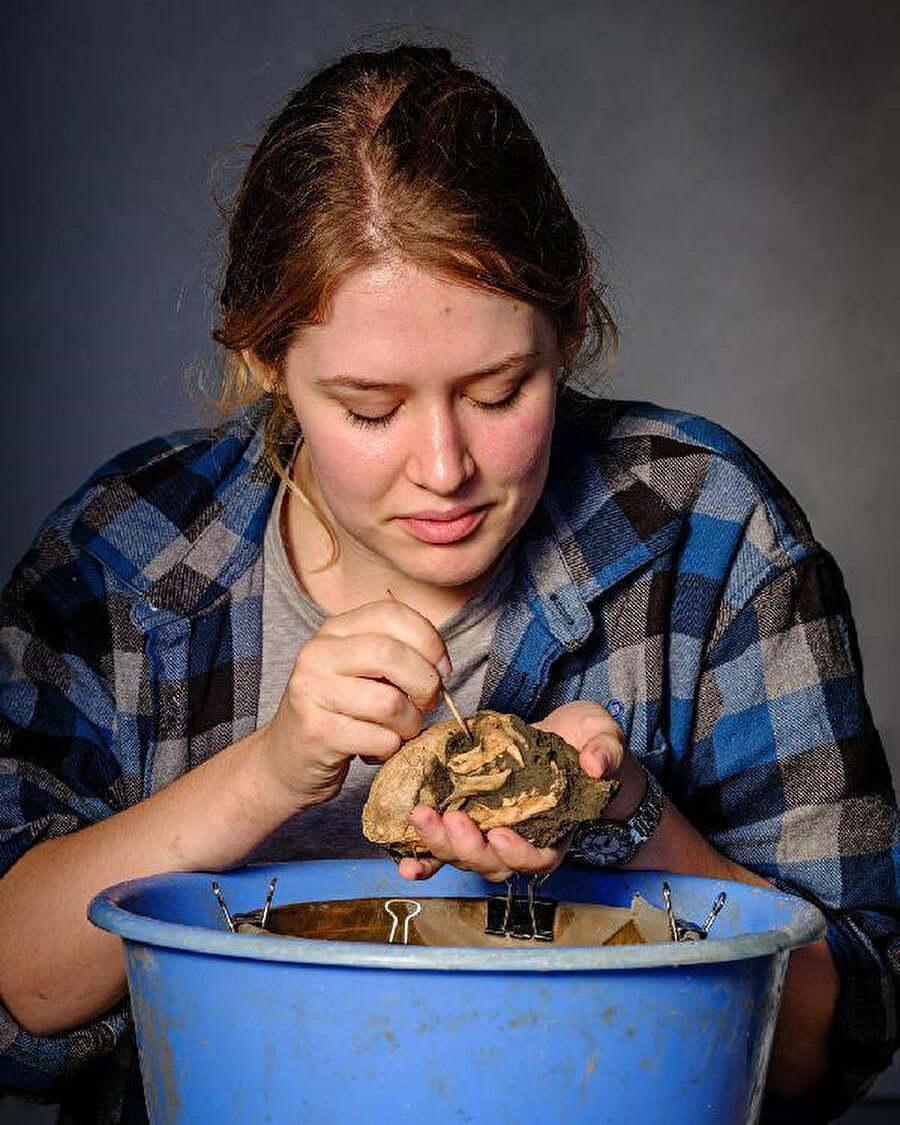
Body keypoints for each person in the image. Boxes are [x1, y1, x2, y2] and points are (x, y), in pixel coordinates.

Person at [0, 43, 896, 1125]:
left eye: (499, 389)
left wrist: (622, 810)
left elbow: (827, 1044)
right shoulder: (124, 559)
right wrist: (273, 771)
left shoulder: (707, 537)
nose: (443, 468)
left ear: (570, 328)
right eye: (370, 410)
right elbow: (25, 993)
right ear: (264, 364)